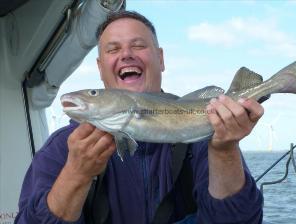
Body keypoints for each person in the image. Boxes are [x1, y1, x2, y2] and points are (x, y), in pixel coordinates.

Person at [15, 10, 264, 224]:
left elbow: (241, 220)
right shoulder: (61, 148)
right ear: (101, 68)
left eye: (138, 45)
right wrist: (76, 174)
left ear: (161, 59)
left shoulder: (205, 140)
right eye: (113, 49)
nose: (126, 55)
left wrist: (224, 151)